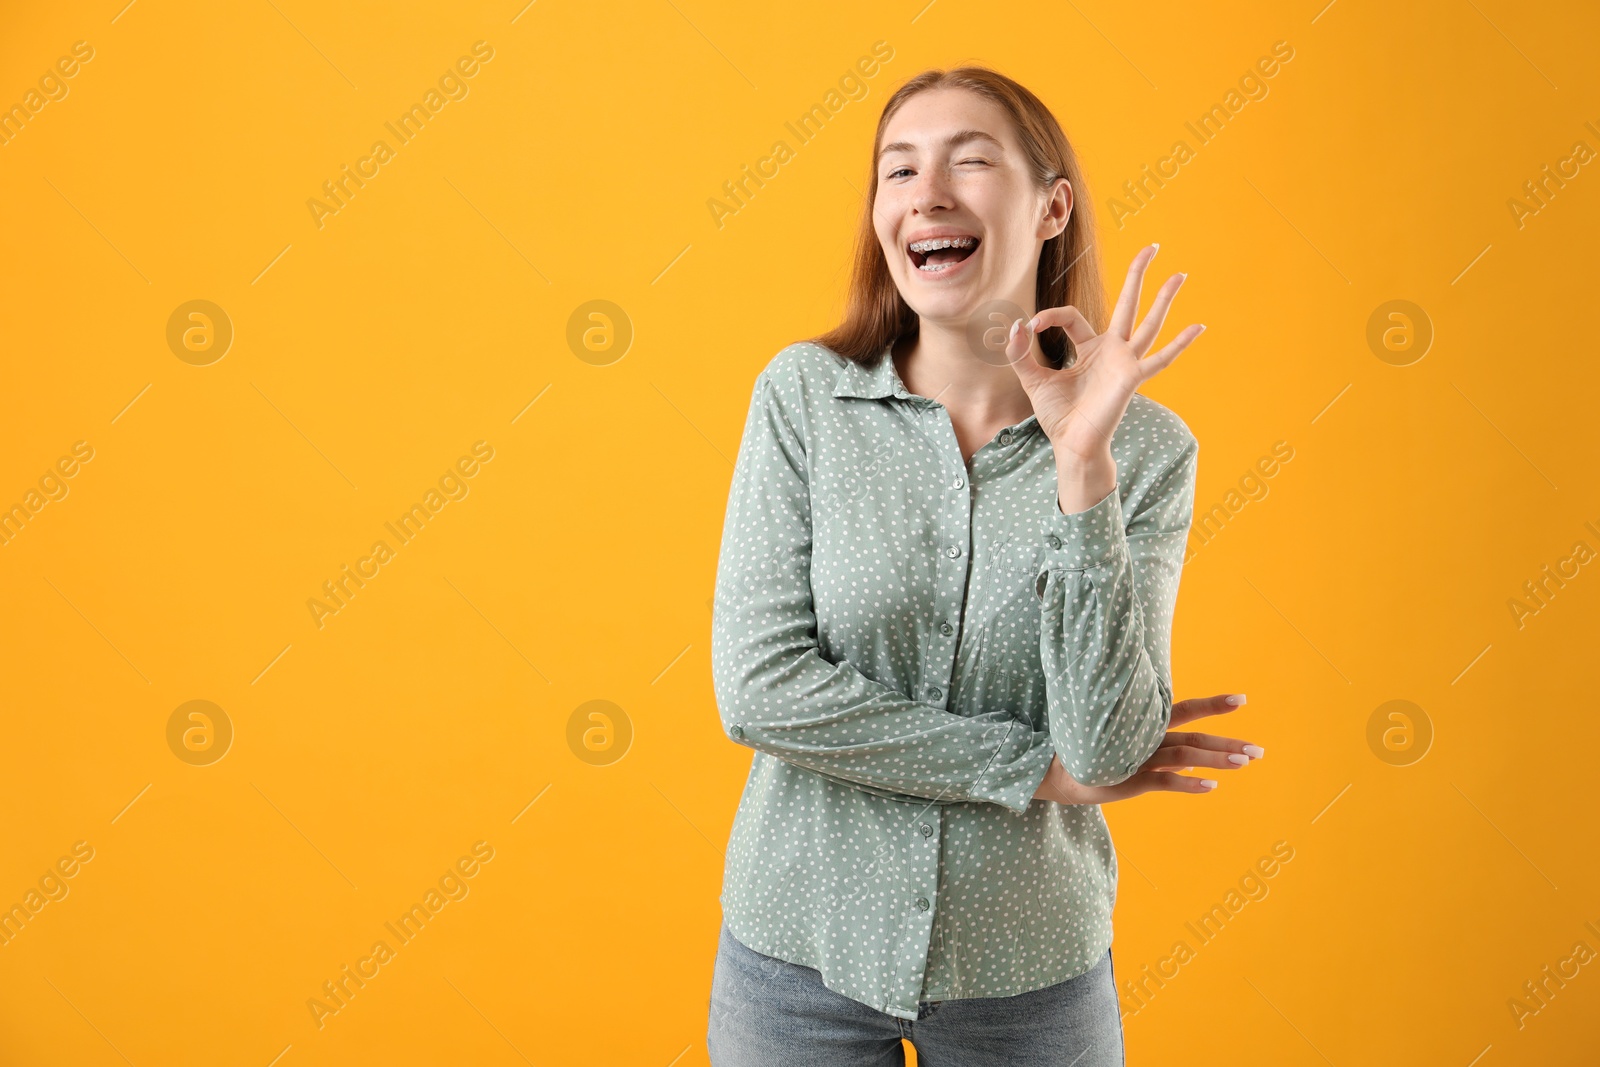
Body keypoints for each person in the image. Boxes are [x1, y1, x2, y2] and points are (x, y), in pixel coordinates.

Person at [706, 65, 1263, 1066]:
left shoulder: (1147, 451)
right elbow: (759, 689)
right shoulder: (802, 398)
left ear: (1052, 207)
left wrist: (1079, 467)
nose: (927, 195)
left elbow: (1104, 750)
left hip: (1026, 966)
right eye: (897, 171)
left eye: (969, 162)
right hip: (796, 952)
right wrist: (1029, 769)